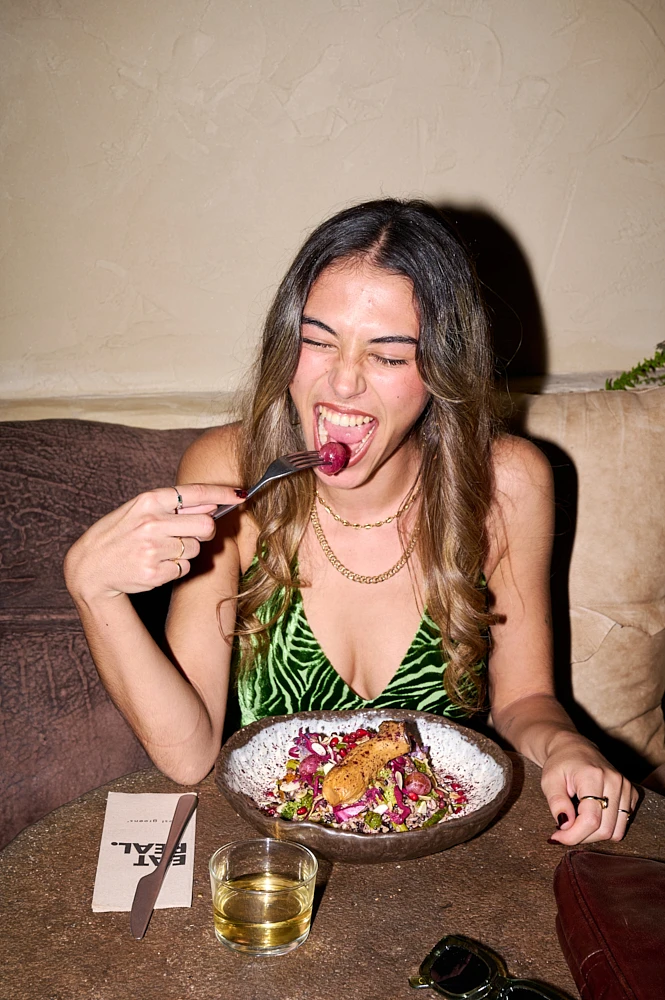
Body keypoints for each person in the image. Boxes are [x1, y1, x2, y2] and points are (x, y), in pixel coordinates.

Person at [64, 199, 637, 845]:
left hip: (443, 855)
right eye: (317, 341)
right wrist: (93, 589)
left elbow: (524, 699)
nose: (341, 383)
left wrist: (564, 745)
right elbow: (188, 755)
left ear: (442, 370)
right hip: (280, 854)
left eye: (388, 357)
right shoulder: (229, 471)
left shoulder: (507, 484)